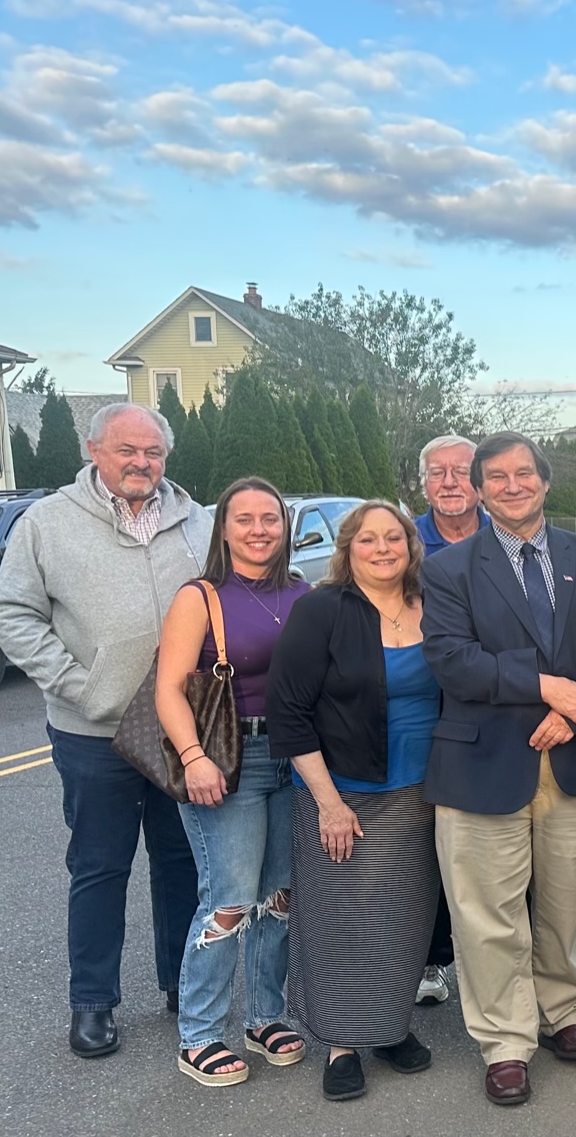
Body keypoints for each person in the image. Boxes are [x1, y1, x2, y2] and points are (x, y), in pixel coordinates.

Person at [0, 402, 210, 1059]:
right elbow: (13, 613)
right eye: (127, 450)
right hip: (93, 733)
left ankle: (181, 985)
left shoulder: (197, 521)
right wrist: (80, 686)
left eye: (153, 452)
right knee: (99, 866)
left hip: (181, 727)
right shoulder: (47, 523)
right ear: (94, 451)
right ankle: (92, 1003)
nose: (141, 462)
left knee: (181, 861)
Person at [422, 432, 576, 1107]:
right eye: (497, 477)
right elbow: (451, 659)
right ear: (479, 491)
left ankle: (563, 1009)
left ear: (544, 481)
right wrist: (547, 687)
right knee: (488, 911)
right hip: (482, 758)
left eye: (523, 473)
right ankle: (506, 1042)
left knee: (564, 902)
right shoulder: (448, 569)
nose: (512, 485)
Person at [267, 503, 440, 1102]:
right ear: (348, 549)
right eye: (368, 539)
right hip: (342, 791)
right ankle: (342, 1043)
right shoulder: (322, 610)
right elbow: (288, 712)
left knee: (402, 917)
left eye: (394, 537)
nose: (383, 548)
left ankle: (390, 1028)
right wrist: (329, 802)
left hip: (420, 793)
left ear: (411, 546)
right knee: (341, 920)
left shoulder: (433, 604)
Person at [155, 478, 310, 1085]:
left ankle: (265, 1016)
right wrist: (193, 757)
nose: (258, 530)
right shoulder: (201, 596)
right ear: (223, 528)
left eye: (270, 518)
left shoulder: (301, 591)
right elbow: (170, 688)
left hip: (295, 758)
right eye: (244, 519)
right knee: (229, 898)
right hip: (226, 757)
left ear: (285, 526)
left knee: (279, 896)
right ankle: (199, 1034)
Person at [412, 432, 487, 1007]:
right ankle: (433, 957)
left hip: (492, 704)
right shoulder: (404, 541)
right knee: (428, 839)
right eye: (437, 473)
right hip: (421, 706)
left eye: (461, 471)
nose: (450, 482)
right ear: (423, 484)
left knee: (493, 840)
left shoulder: (504, 535)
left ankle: (507, 962)